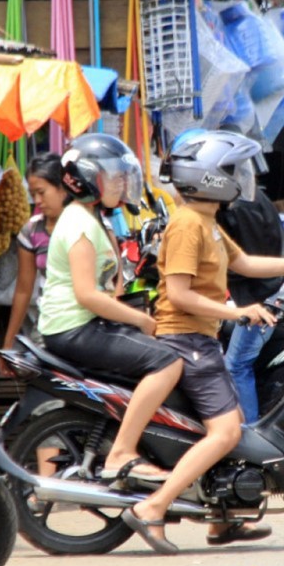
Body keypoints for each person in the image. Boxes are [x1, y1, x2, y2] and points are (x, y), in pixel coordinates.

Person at [119, 129, 284, 554]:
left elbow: (246, 263)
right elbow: (177, 294)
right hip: (186, 340)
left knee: (233, 430)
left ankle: (221, 520)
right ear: (211, 175)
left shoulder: (207, 221)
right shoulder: (186, 225)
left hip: (201, 340)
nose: (241, 178)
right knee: (227, 433)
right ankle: (153, 507)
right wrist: (238, 312)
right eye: (233, 169)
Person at [38, 133, 184, 482]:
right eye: (115, 176)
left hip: (86, 325)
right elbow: (88, 295)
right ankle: (121, 453)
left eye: (122, 176)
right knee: (168, 361)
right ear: (88, 177)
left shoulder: (95, 220)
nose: (122, 183)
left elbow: (113, 287)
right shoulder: (78, 225)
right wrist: (140, 320)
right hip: (73, 329)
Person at [216, 187, 284, 423]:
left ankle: (250, 432)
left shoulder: (238, 206)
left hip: (263, 297)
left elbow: (250, 262)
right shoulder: (250, 195)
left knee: (235, 365)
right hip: (272, 290)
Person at [0, 153, 66, 374]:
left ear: (62, 188)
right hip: (47, 326)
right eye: (32, 194)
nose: (37, 201)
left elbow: (113, 281)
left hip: (86, 326)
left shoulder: (89, 224)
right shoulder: (31, 230)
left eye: (42, 193)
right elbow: (23, 291)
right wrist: (8, 346)